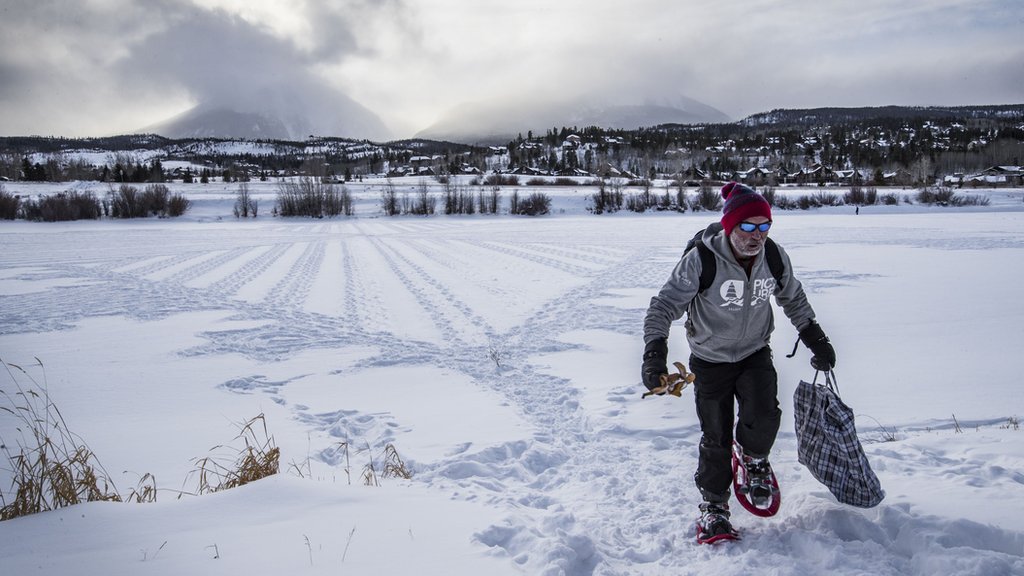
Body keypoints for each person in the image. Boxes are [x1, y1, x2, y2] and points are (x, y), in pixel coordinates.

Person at [641, 181, 836, 542]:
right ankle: (714, 507)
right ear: (730, 226)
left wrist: (815, 337)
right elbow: (664, 305)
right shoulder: (702, 260)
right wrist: (655, 352)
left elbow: (792, 298)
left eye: (764, 227)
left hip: (754, 352)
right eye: (748, 226)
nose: (757, 236)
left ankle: (755, 460)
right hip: (709, 359)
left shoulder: (773, 257)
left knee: (764, 415)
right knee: (715, 435)